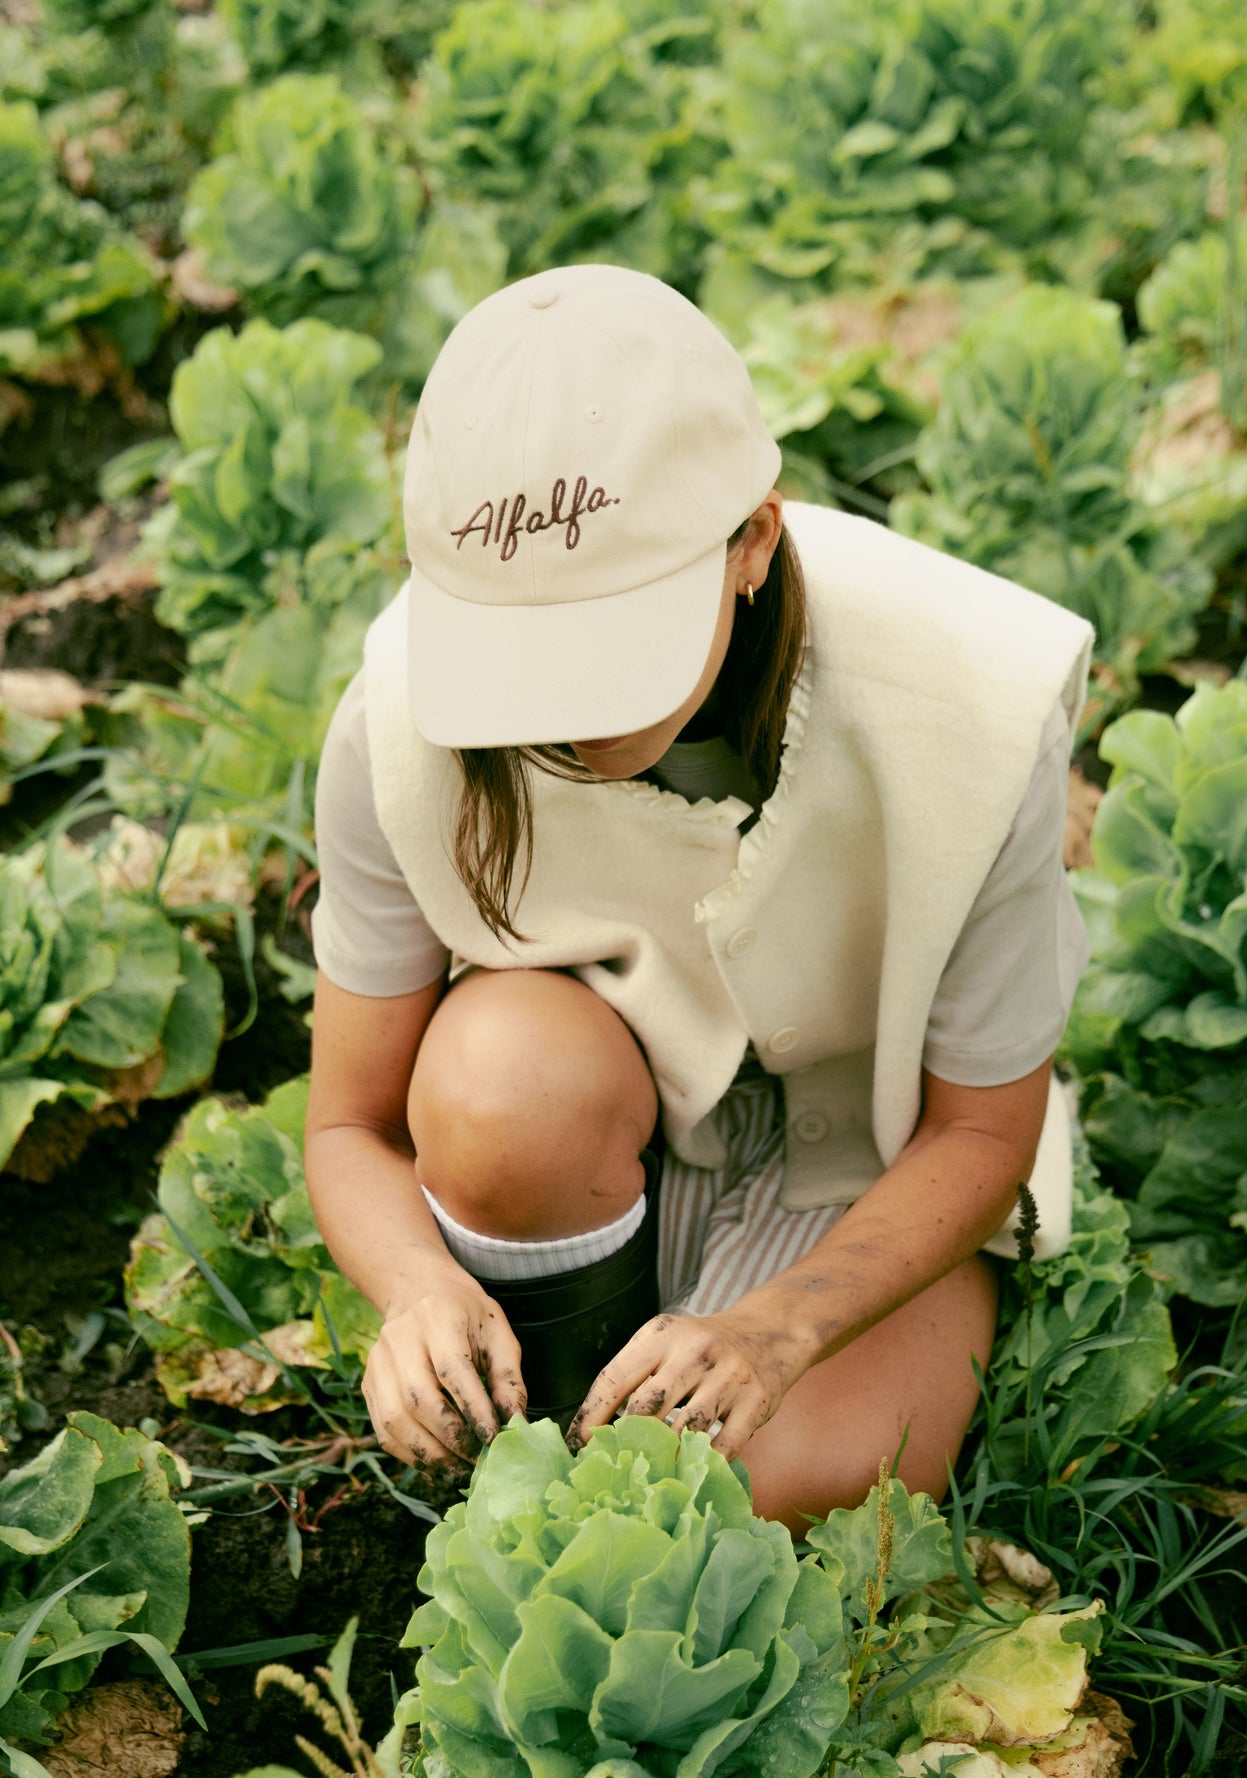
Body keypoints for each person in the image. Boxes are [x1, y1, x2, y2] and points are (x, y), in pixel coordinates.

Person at [304, 263, 1094, 1534]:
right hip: (602, 1099)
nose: (558, 715)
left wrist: (780, 1327)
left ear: (752, 540)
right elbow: (348, 1125)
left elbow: (979, 1140)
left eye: (605, 652)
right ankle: (572, 1379)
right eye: (520, 657)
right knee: (495, 1084)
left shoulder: (972, 707)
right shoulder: (395, 728)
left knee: (763, 1498)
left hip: (880, 1157)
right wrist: (411, 1289)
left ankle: (674, 1386)